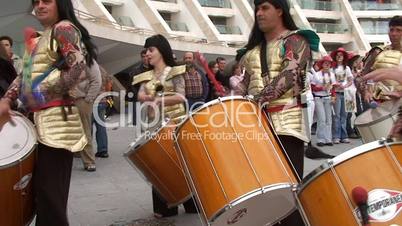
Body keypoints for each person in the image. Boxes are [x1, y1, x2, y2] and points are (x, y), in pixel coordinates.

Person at [0, 0, 97, 225]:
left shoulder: (63, 28)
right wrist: (7, 98)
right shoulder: (39, 37)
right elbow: (23, 76)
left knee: (50, 196)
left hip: (58, 124)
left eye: (47, 1)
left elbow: (78, 68)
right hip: (39, 121)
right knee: (42, 195)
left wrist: (42, 94)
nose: (40, 6)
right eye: (36, 2)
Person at [237, 0, 320, 225]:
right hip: (256, 126)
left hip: (287, 123)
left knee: (288, 193)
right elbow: (244, 85)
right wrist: (236, 88)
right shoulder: (250, 52)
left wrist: (256, 99)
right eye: (257, 9)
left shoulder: (295, 40)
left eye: (264, 7)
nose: (259, 13)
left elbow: (291, 74)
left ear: (280, 10)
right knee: (262, 192)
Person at [132, 34, 197, 218]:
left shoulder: (175, 71)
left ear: (162, 51)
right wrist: (146, 98)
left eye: (151, 50)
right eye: (145, 51)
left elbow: (181, 96)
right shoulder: (145, 76)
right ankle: (165, 207)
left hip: (177, 123)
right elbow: (140, 95)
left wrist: (158, 100)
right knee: (159, 164)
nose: (147, 54)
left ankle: (192, 203)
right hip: (155, 126)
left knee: (183, 163)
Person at [358, 16, 402, 103]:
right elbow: (360, 78)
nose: (394, 34)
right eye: (391, 30)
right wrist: (366, 91)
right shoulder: (377, 52)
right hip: (379, 104)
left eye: (398, 30)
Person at [72, 60, 102, 171]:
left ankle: (89, 161)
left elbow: (97, 81)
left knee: (85, 131)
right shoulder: (65, 58)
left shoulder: (88, 60)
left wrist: (88, 99)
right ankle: (76, 153)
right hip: (66, 101)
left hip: (81, 99)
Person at [311, 55, 336, 146]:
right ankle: (320, 139)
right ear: (322, 64)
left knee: (329, 120)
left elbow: (333, 88)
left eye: (329, 63)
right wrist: (322, 88)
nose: (327, 64)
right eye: (325, 63)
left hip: (328, 98)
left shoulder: (332, 75)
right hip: (319, 98)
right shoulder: (317, 75)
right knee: (322, 119)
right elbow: (312, 87)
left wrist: (333, 97)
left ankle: (328, 139)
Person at [330, 47, 353, 144]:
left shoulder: (347, 68)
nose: (339, 57)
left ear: (344, 57)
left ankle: (344, 136)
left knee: (345, 115)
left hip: (347, 93)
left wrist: (345, 86)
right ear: (335, 57)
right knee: (336, 116)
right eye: (338, 55)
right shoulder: (332, 68)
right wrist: (335, 85)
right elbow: (329, 81)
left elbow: (351, 80)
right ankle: (336, 136)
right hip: (336, 93)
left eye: (341, 55)